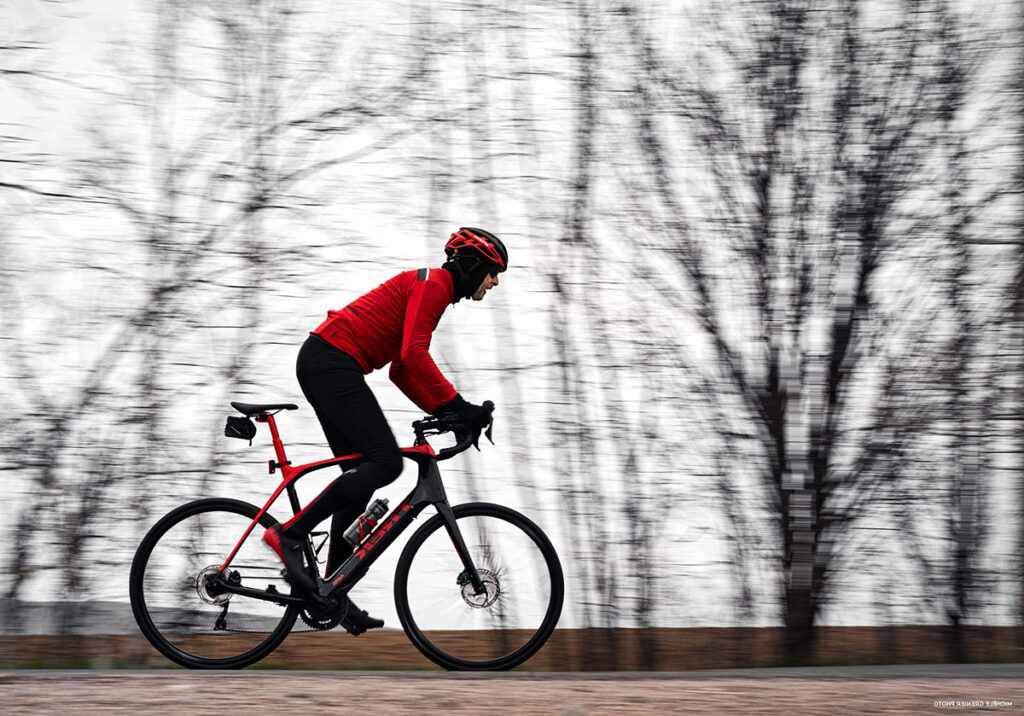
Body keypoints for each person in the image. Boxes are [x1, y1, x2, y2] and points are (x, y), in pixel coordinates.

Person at [263, 227, 507, 633]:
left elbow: (400, 369)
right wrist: (457, 406)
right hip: (331, 361)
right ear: (473, 264)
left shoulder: (434, 290)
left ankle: (331, 593)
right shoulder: (435, 285)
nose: (495, 282)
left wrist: (443, 412)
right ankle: (289, 535)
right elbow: (414, 353)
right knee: (387, 463)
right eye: (493, 271)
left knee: (360, 480)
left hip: (327, 362)